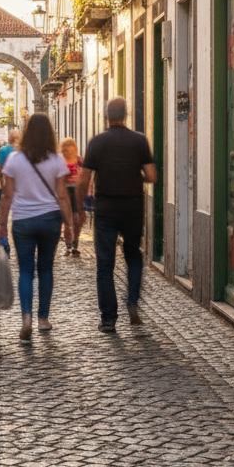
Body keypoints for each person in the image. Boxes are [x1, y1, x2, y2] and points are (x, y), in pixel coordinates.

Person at [77, 97, 157, 333]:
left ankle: (109, 319)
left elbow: (84, 179)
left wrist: (79, 208)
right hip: (132, 207)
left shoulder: (97, 142)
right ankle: (132, 302)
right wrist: (134, 176)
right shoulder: (139, 140)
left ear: (106, 116)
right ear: (126, 115)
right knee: (133, 255)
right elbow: (152, 176)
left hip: (106, 209)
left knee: (105, 264)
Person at [0, 114, 76, 339]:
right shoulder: (56, 160)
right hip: (50, 219)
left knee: (25, 270)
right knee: (46, 268)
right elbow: (62, 196)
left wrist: (2, 224)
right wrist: (68, 225)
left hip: (22, 220)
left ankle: (26, 318)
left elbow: (7, 195)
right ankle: (43, 319)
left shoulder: (14, 159)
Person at [60, 137, 85, 257]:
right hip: (64, 191)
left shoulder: (79, 159)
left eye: (71, 150)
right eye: (67, 150)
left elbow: (87, 169)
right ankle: (68, 245)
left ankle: (75, 243)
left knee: (77, 219)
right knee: (67, 220)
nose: (69, 152)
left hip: (77, 191)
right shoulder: (60, 160)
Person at [0, 130, 21, 208]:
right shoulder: (22, 150)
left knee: (2, 193)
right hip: (19, 179)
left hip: (5, 178)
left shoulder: (3, 150)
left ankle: (0, 205)